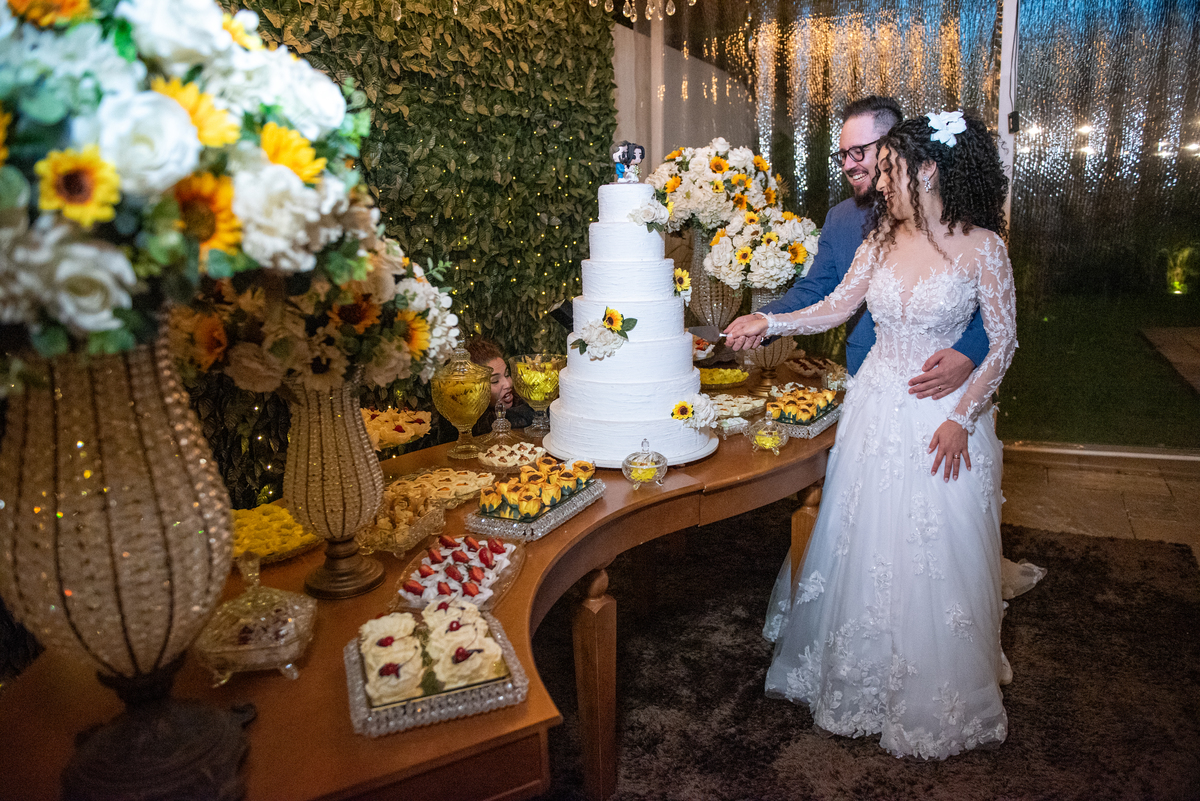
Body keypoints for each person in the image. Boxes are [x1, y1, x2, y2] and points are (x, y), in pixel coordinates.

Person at [725, 111, 1017, 759]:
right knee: (863, 541)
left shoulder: (983, 248)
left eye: (890, 171)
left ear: (928, 170)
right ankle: (861, 675)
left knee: (933, 549)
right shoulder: (881, 238)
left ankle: (932, 687)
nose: (880, 184)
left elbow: (1002, 343)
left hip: (939, 417)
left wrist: (961, 418)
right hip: (874, 410)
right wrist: (770, 324)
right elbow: (835, 305)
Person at [754, 96, 989, 399]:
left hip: (942, 386)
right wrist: (763, 320)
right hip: (867, 382)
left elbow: (994, 305)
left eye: (858, 152)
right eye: (843, 155)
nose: (847, 165)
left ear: (893, 145)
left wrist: (968, 354)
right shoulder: (840, 219)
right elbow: (815, 290)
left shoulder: (956, 212)